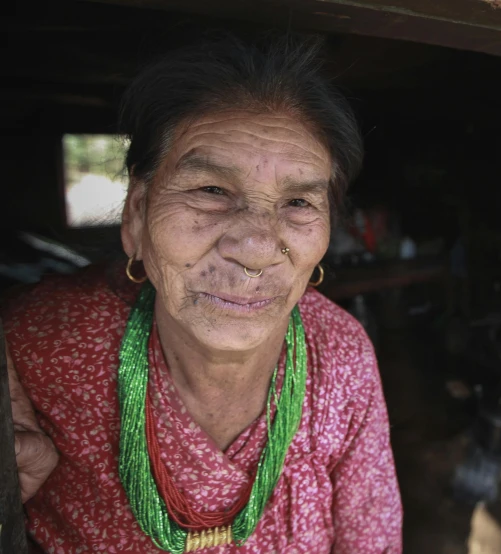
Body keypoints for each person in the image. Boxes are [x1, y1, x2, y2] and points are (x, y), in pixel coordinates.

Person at [2, 35, 402, 553]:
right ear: (137, 214)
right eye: (211, 190)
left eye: (299, 201)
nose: (257, 248)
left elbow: (373, 537)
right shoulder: (39, 342)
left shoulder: (341, 358)